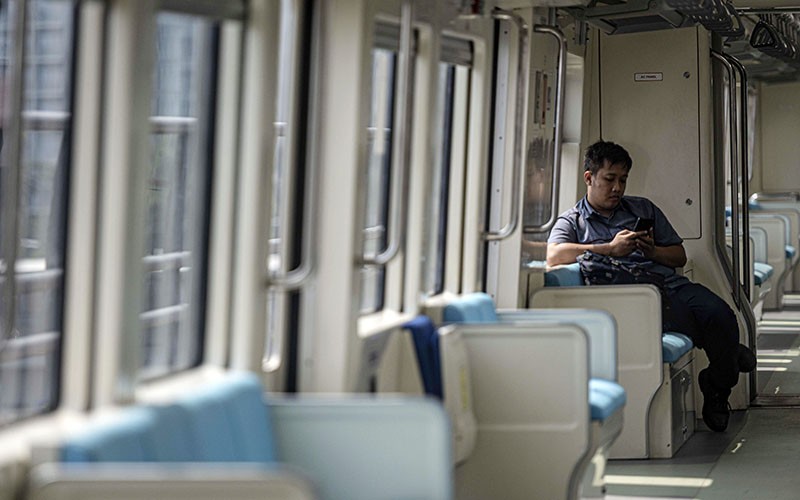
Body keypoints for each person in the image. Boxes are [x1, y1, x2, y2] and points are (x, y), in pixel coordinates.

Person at [546, 140, 755, 432]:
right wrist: (609, 247)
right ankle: (728, 356)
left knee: (721, 313)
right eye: (609, 179)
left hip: (668, 282)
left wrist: (652, 251)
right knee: (695, 323)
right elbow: (554, 255)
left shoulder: (642, 208)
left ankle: (717, 380)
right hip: (631, 299)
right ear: (589, 178)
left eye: (622, 180)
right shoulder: (573, 220)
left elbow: (679, 255)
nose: (617, 188)